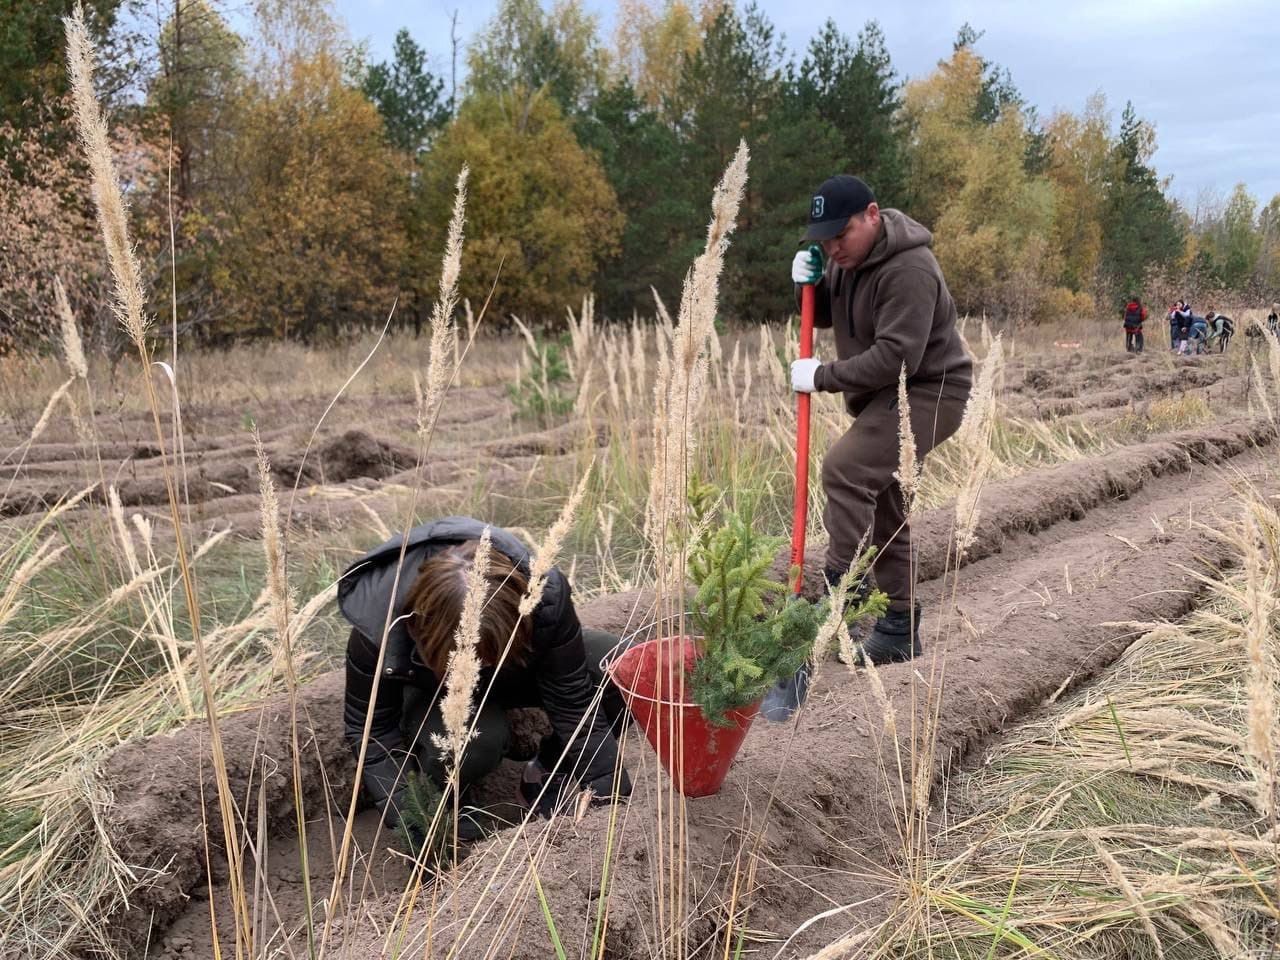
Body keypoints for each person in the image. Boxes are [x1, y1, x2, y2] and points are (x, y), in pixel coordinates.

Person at [338, 517, 631, 839]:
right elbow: (374, 733)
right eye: (465, 656)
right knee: (470, 742)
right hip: (436, 691)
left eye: (487, 655)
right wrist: (418, 822)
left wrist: (610, 795)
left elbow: (573, 702)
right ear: (416, 629)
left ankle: (546, 773)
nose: (478, 666)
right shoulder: (381, 628)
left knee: (623, 669)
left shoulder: (542, 597)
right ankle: (448, 799)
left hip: (519, 669)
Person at [787, 175, 973, 665]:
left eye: (840, 234)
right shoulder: (848, 259)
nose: (831, 247)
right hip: (887, 396)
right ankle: (898, 627)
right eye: (822, 239)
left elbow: (896, 356)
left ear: (872, 214)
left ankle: (840, 592)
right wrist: (808, 287)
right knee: (889, 503)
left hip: (931, 390)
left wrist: (822, 375)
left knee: (845, 469)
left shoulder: (910, 268)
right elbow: (830, 314)